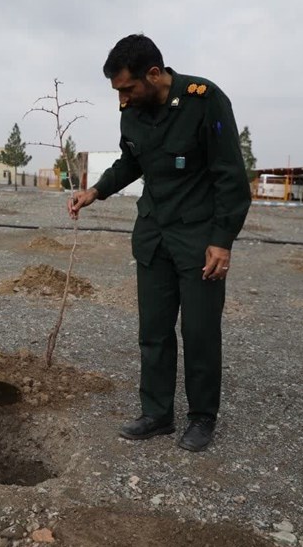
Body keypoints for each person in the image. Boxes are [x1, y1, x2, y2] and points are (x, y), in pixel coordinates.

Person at [68, 34, 251, 452]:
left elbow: (230, 176)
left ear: (154, 74)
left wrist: (222, 240)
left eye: (128, 88)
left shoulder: (206, 101)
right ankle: (157, 413)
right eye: (118, 91)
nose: (123, 98)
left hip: (198, 238)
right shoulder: (132, 111)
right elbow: (131, 160)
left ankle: (202, 417)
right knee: (153, 331)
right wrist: (95, 191)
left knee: (200, 331)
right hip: (153, 234)